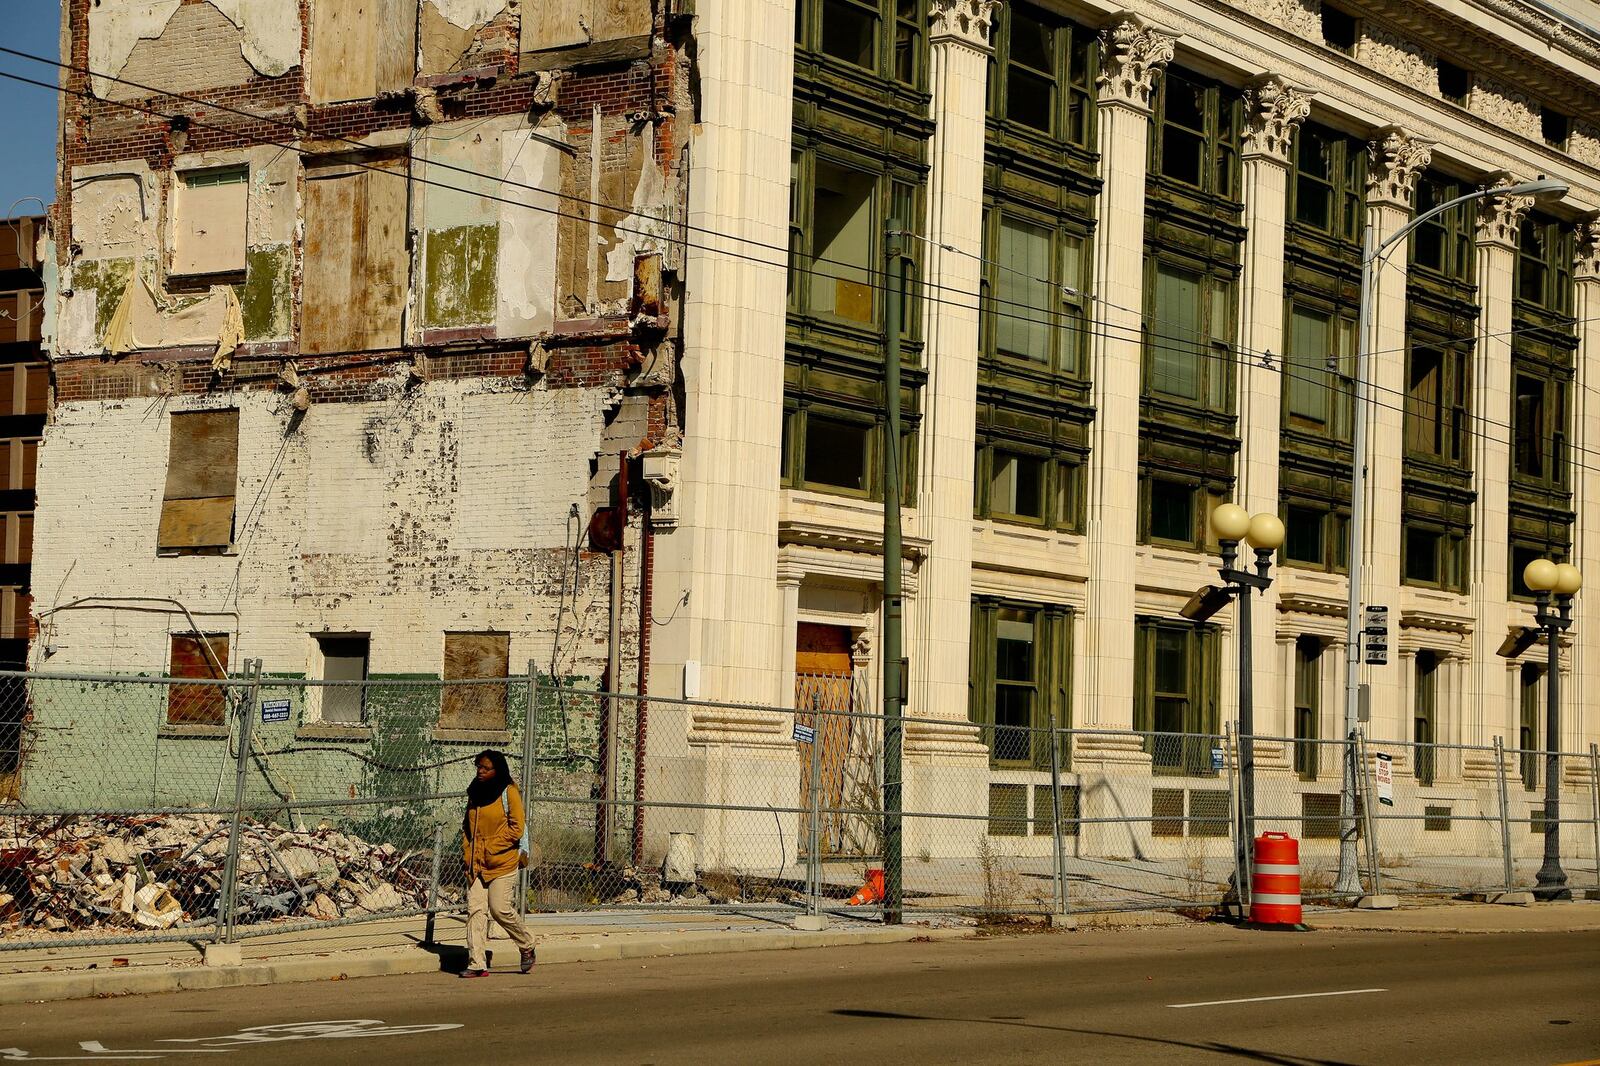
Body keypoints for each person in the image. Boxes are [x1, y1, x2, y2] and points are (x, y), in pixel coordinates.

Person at [459, 749, 536, 977]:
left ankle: (527, 944)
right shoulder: (475, 792)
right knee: (475, 910)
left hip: (502, 862)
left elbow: (517, 828)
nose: (481, 771)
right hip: (476, 864)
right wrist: (468, 851)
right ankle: (477, 963)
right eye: (478, 767)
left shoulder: (508, 792)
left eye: (486, 768)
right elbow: (467, 826)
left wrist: (491, 847)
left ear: (497, 770)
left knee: (499, 909)